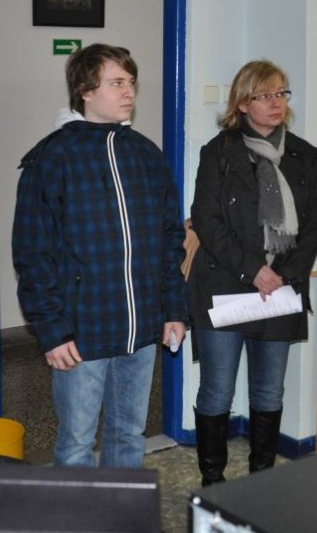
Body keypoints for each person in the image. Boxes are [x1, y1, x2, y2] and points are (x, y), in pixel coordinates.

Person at [12, 43, 187, 475]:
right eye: (116, 83)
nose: (129, 92)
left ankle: (121, 510)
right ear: (86, 90)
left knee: (129, 433)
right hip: (81, 329)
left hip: (142, 325)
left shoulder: (146, 156)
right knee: (76, 439)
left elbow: (170, 239)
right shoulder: (51, 158)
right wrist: (51, 330)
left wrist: (173, 308)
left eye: (131, 82)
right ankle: (78, 518)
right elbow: (32, 252)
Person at [188, 60, 317, 486]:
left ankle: (261, 483)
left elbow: (314, 224)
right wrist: (254, 271)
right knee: (217, 391)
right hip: (226, 286)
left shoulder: (305, 155)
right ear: (243, 104)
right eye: (264, 95)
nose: (276, 102)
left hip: (280, 289)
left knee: (269, 391)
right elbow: (206, 219)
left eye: (281, 93)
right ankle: (213, 483)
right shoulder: (219, 152)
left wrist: (283, 274)